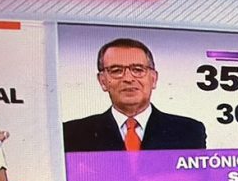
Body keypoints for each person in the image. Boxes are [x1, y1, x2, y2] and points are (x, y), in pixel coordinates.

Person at [63, 38, 206, 152]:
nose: (128, 78)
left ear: (153, 79)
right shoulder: (71, 133)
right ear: (102, 81)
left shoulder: (189, 131)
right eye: (116, 70)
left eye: (138, 69)